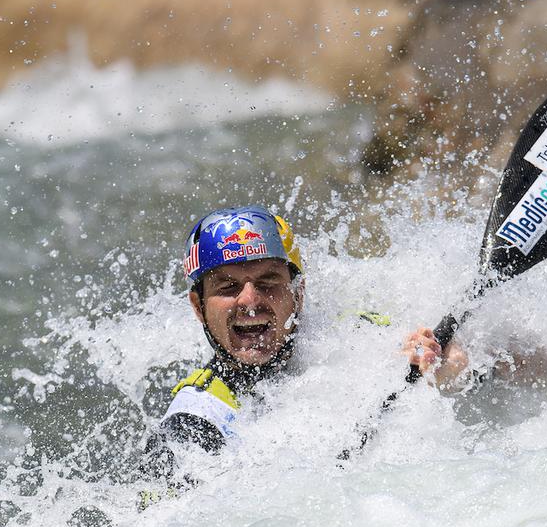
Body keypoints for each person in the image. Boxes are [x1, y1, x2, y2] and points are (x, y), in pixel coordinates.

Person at [141, 205, 467, 485]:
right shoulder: (193, 427)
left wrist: (442, 366)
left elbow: (463, 360)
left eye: (269, 282)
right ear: (198, 307)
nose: (251, 301)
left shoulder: (354, 333)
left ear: (298, 293)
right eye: (228, 287)